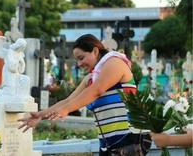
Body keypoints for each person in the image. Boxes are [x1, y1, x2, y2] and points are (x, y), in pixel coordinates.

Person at [18, 34, 152, 155]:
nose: (79, 64)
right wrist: (41, 115)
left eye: (81, 58)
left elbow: (97, 90)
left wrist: (66, 109)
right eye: (77, 60)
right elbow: (69, 100)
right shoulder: (91, 78)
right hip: (108, 144)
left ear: (95, 51)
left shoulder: (115, 63)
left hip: (128, 140)